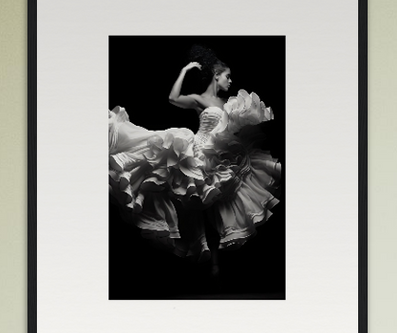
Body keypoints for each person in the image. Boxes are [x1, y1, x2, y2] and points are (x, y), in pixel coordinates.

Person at [108, 46, 279, 269]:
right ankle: (201, 261)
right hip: (197, 152)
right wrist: (186, 70)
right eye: (227, 76)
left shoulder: (226, 102)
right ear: (216, 76)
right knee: (192, 200)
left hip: (220, 156)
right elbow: (173, 98)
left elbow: (231, 127)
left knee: (217, 206)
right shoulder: (199, 99)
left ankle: (214, 262)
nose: (230, 81)